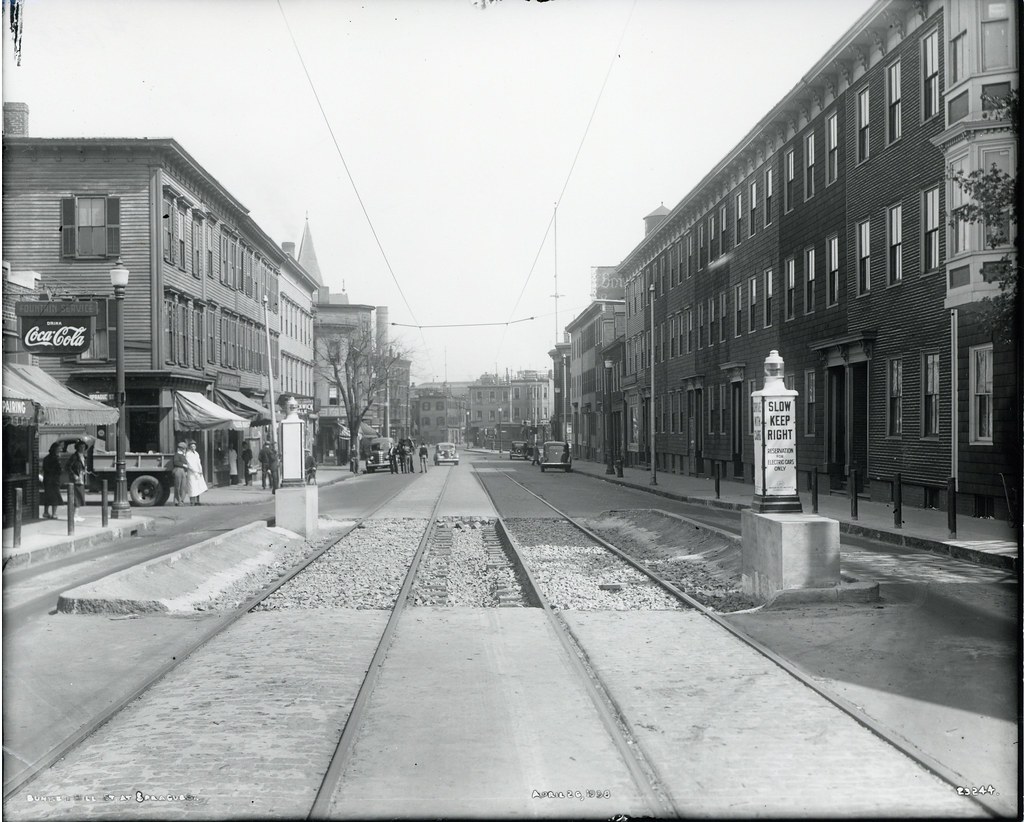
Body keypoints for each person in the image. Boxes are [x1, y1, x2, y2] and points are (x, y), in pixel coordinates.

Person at [41, 442, 64, 519]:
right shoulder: (56, 459)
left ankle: (46, 512)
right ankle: (54, 513)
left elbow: (45, 469)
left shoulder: (46, 458)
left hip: (47, 480)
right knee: (55, 497)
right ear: (55, 449)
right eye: (59, 448)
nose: (61, 449)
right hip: (54, 480)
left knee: (47, 496)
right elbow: (59, 470)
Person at [67, 440, 89, 522]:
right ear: (77, 448)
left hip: (81, 478)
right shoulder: (74, 457)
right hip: (77, 479)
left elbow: (82, 467)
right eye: (81, 447)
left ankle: (76, 514)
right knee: (77, 497)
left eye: (84, 447)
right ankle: (74, 515)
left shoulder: (83, 456)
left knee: (79, 497)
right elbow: (68, 467)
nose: (82, 448)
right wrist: (74, 475)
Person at [186, 441, 208, 505]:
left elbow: (199, 462)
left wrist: (200, 470)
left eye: (194, 446)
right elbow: (189, 464)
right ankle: (192, 501)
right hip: (192, 472)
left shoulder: (196, 453)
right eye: (192, 446)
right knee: (192, 487)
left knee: (198, 487)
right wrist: (195, 470)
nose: (193, 447)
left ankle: (197, 501)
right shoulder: (188, 454)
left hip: (198, 472)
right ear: (190, 447)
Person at [171, 441, 189, 506]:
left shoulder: (182, 455)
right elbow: (176, 462)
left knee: (183, 486)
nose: (184, 449)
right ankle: (177, 500)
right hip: (178, 470)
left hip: (183, 471)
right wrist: (184, 465)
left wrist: (186, 470)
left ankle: (181, 500)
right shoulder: (177, 454)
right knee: (178, 486)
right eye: (183, 448)